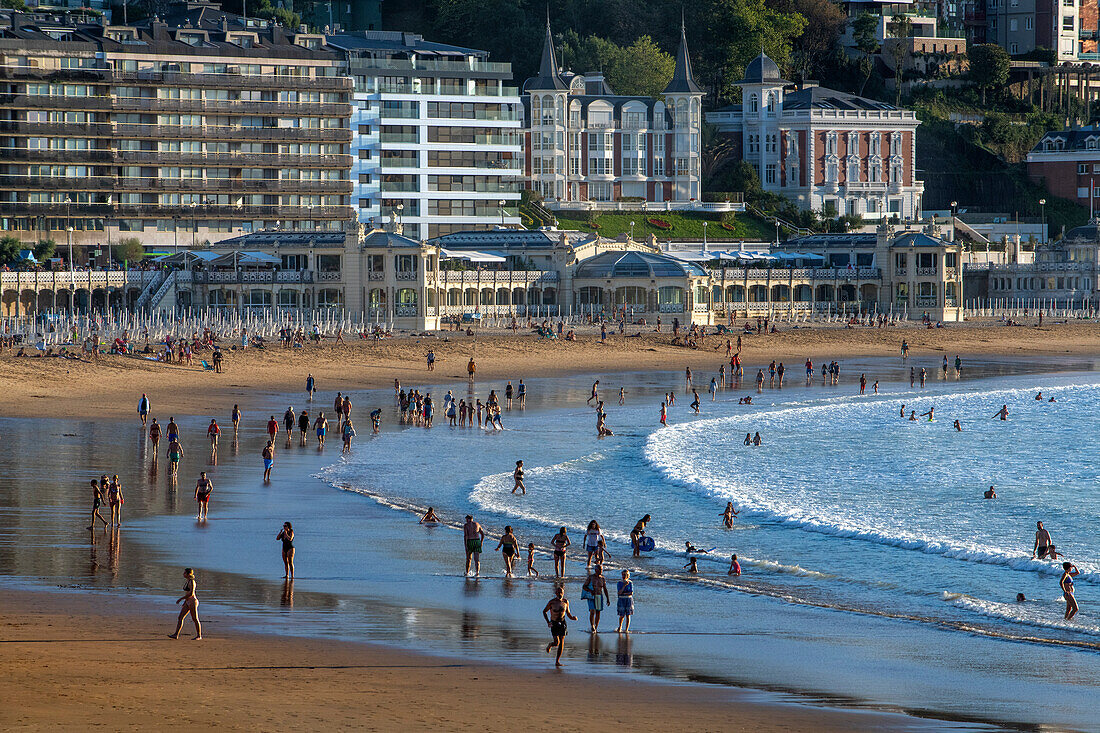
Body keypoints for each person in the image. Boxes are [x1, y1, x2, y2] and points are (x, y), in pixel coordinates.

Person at [543, 586, 577, 666]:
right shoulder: (552, 602)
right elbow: (544, 611)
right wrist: (548, 622)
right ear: (555, 593)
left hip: (562, 622)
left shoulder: (566, 602)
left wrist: (572, 618)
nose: (560, 594)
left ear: (563, 593)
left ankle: (557, 661)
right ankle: (551, 644)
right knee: (556, 642)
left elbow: (568, 613)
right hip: (554, 623)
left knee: (562, 641)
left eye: (561, 592)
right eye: (558, 592)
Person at [169, 568, 202, 640]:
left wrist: (181, 599)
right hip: (187, 602)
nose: (183, 574)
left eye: (184, 573)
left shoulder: (192, 582)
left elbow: (191, 594)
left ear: (188, 574)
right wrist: (185, 602)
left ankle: (199, 636)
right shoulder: (188, 581)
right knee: (180, 617)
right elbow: (187, 593)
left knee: (195, 618)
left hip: (193, 601)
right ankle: (176, 634)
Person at [581, 564, 610, 633]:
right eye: (600, 569)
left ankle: (596, 627)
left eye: (602, 569)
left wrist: (608, 599)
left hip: (599, 596)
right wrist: (590, 591)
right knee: (592, 611)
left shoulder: (602, 578)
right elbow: (584, 586)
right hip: (591, 596)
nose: (601, 571)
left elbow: (605, 589)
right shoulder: (591, 577)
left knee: (598, 612)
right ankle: (592, 626)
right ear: (596, 570)